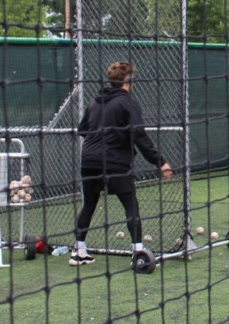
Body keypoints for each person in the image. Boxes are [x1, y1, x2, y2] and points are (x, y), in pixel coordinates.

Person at [72, 61, 173, 266]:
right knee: (130, 203)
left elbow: (82, 129)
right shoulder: (128, 102)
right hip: (114, 161)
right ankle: (138, 253)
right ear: (128, 82)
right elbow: (139, 135)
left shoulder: (94, 101)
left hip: (89, 160)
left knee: (89, 205)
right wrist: (160, 162)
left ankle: (79, 251)